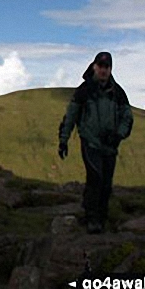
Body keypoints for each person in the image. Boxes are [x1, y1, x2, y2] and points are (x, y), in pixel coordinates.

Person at [58, 52, 133, 234]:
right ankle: (92, 219)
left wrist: (118, 136)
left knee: (106, 183)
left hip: (110, 146)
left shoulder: (118, 92)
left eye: (107, 66)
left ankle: (101, 216)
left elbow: (127, 117)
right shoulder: (84, 90)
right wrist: (63, 140)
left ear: (110, 69)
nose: (103, 69)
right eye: (100, 65)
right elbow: (71, 116)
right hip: (90, 142)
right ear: (94, 66)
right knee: (95, 179)